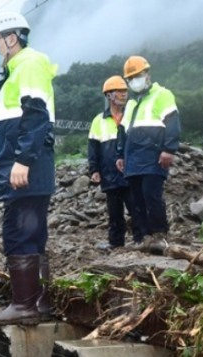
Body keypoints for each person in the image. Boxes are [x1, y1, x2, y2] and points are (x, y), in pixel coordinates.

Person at [0, 12, 56, 326]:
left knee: (18, 232)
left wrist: (22, 161)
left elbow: (36, 116)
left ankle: (24, 304)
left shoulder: (28, 64)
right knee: (33, 233)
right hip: (25, 167)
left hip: (25, 168)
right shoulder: (17, 70)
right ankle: (38, 301)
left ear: (11, 38)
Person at [116, 56, 180, 255]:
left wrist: (168, 149)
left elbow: (172, 122)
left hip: (153, 157)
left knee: (151, 196)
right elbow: (123, 131)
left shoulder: (162, 94)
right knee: (136, 201)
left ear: (147, 74)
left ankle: (159, 234)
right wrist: (120, 154)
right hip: (133, 158)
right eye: (131, 78)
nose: (135, 80)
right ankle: (144, 237)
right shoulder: (132, 104)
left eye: (138, 75)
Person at [89, 76, 143, 250]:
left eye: (124, 91)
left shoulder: (133, 115)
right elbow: (93, 147)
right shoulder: (99, 120)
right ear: (108, 96)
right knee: (114, 211)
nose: (123, 94)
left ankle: (140, 240)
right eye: (118, 91)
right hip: (109, 172)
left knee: (136, 207)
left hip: (131, 170)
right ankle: (116, 242)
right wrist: (94, 170)